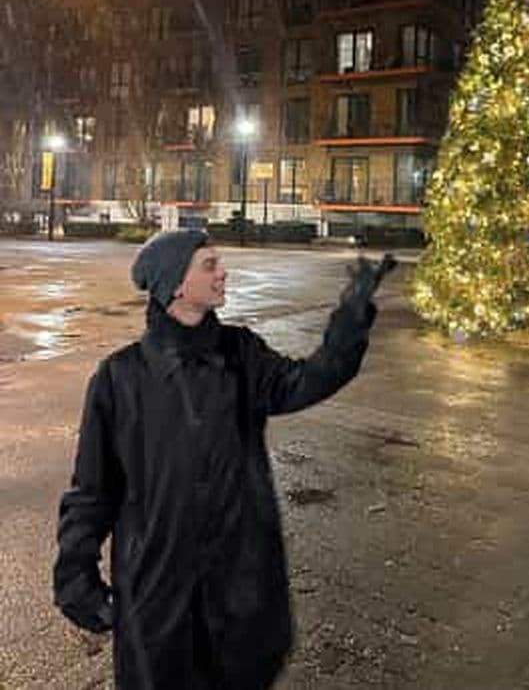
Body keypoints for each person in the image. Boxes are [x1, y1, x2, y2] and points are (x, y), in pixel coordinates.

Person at [53, 229, 386, 689]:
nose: (223, 271)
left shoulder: (241, 354)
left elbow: (307, 381)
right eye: (209, 264)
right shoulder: (119, 378)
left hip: (240, 592)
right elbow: (92, 489)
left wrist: (350, 319)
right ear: (175, 284)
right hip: (158, 598)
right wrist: (75, 571)